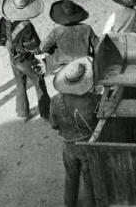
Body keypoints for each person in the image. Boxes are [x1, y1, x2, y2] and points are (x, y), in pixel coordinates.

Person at [0, 0, 49, 121]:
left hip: (13, 58)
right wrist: (41, 59)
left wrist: (5, 43)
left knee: (20, 84)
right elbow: (33, 46)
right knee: (39, 81)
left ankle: (23, 113)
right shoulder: (26, 26)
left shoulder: (4, 19)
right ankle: (46, 112)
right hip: (25, 59)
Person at [48, 58, 99, 207]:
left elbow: (54, 124)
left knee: (70, 178)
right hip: (87, 145)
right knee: (89, 180)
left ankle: (69, 204)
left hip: (68, 146)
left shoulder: (55, 101)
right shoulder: (93, 100)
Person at [40, 0, 99, 72]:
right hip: (84, 62)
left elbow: (43, 47)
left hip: (63, 65)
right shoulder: (87, 28)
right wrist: (92, 56)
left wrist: (53, 51)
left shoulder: (56, 31)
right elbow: (97, 45)